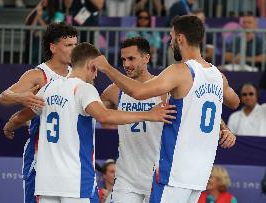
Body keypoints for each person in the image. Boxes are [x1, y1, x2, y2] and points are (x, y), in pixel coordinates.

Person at [91, 15, 240, 202]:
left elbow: (138, 92)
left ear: (180, 39)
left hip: (174, 171)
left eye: (171, 37)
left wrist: (107, 68)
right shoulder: (217, 76)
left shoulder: (179, 71)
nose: (170, 43)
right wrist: (224, 127)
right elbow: (233, 102)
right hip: (198, 173)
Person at [3, 42, 175, 203]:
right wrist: (148, 115)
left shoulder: (48, 88)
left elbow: (21, 116)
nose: (97, 74)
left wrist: (10, 125)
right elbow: (104, 116)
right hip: (77, 179)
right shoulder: (85, 89)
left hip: (46, 181)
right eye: (96, 69)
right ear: (91, 65)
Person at [0, 23, 78, 203]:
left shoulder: (77, 76)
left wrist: (12, 122)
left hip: (70, 157)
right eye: (68, 45)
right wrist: (21, 97)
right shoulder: (38, 75)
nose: (74, 50)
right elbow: (3, 97)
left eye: (75, 45)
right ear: (53, 47)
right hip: (41, 157)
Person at [101, 37, 166, 203]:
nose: (126, 64)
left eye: (131, 59)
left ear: (146, 58)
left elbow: (192, 110)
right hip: (126, 176)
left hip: (157, 174)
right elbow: (90, 109)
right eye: (123, 59)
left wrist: (223, 128)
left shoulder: (163, 89)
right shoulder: (116, 90)